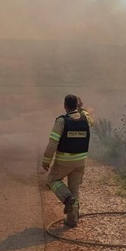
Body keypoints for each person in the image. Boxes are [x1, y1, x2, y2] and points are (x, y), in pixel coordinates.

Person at [42, 94, 91, 227]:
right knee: (74, 189)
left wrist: (46, 161)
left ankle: (67, 198)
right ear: (77, 106)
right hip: (81, 162)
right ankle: (72, 220)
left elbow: (53, 143)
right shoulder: (85, 118)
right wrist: (82, 109)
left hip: (64, 161)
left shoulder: (62, 121)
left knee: (52, 180)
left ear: (65, 106)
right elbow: (90, 119)